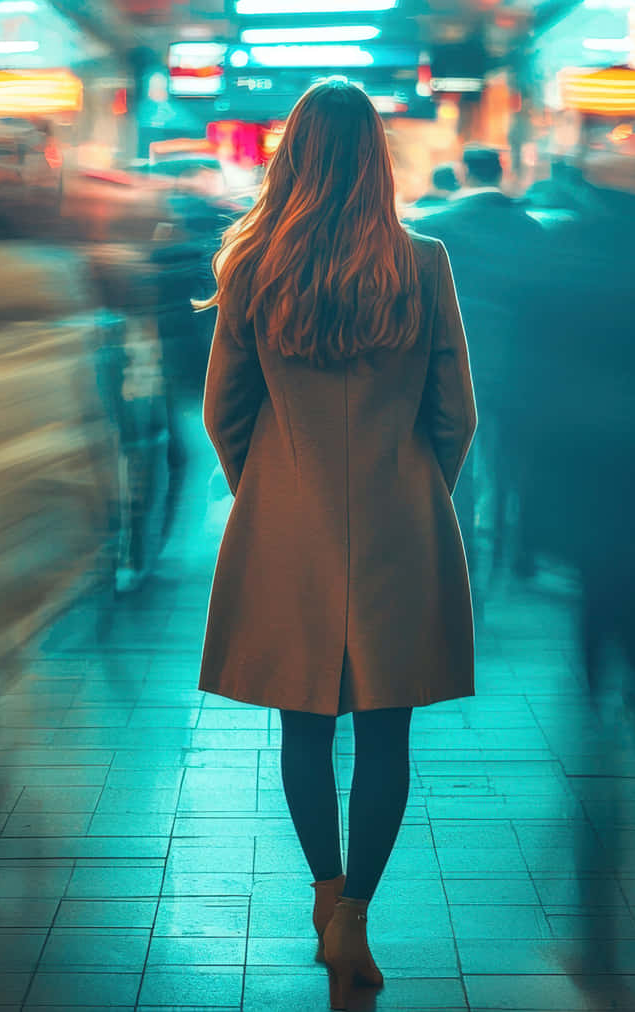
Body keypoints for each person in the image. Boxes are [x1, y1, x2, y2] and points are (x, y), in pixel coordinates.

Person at [195, 80, 476, 1010]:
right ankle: (357, 911)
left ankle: (323, 894)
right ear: (376, 162)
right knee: (387, 729)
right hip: (400, 517)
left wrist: (266, 487)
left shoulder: (254, 269)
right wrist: (420, 488)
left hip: (289, 512)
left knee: (302, 722)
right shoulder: (423, 263)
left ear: (294, 159)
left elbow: (223, 411)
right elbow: (457, 414)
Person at [413, 145, 545, 577]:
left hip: (450, 368)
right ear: (502, 170)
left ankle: (463, 567)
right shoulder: (534, 231)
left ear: (462, 172)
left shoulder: (434, 230)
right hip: (520, 370)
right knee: (514, 464)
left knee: (459, 471)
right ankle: (518, 555)